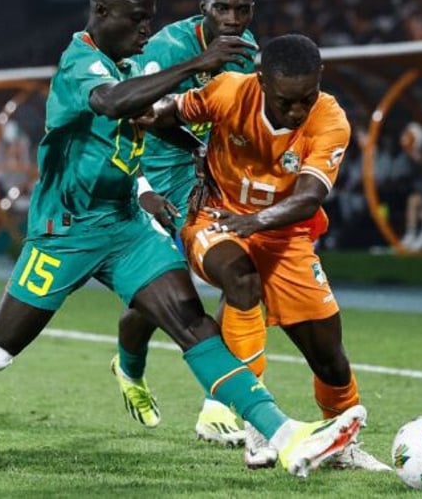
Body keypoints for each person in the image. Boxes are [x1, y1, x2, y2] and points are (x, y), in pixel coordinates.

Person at [0, 0, 366, 480]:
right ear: (101, 11)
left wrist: (197, 154)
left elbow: (148, 118)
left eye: (151, 18)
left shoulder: (135, 64)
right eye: (135, 19)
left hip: (125, 226)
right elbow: (112, 103)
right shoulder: (79, 60)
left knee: (194, 326)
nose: (146, 30)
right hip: (66, 231)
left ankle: (282, 433)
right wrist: (193, 65)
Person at [136, 34, 389, 472]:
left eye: (305, 98)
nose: (297, 111)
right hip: (215, 218)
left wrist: (257, 222)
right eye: (286, 101)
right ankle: (259, 427)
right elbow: (171, 111)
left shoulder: (330, 118)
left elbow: (310, 195)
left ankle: (343, 445)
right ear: (261, 82)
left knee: (329, 355)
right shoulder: (230, 90)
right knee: (240, 277)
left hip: (284, 237)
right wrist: (153, 116)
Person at [111, 0, 258, 448]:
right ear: (204, 9)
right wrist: (141, 189)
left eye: (242, 9)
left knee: (237, 272)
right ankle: (129, 364)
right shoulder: (167, 49)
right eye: (223, 7)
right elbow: (131, 117)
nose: (233, 17)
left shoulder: (249, 55)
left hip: (203, 185)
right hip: (148, 179)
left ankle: (219, 406)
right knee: (162, 299)